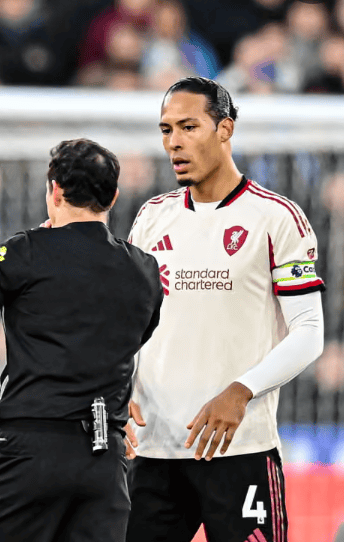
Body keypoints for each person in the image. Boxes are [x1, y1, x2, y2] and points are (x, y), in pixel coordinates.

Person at [0, 138, 163, 542]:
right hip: (104, 459)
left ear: (55, 191)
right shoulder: (145, 270)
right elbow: (131, 343)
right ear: (113, 197)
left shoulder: (23, 253)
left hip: (29, 453)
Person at [126, 76, 325, 542]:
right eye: (166, 130)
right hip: (154, 451)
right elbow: (130, 321)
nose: (174, 142)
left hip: (241, 449)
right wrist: (121, 383)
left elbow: (309, 329)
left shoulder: (276, 218)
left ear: (225, 129)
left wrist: (241, 391)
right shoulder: (152, 217)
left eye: (189, 127)